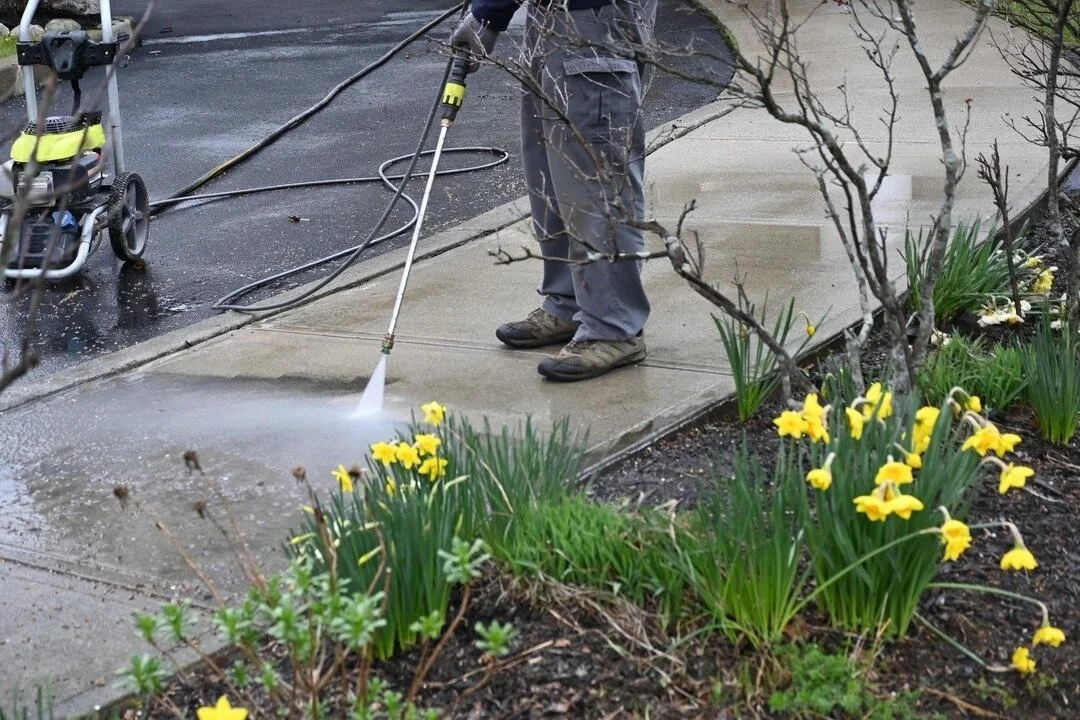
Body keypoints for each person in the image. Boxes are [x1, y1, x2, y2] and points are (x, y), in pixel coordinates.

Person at [451, 0, 657, 382]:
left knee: (593, 176)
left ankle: (614, 324)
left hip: (597, 17)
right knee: (551, 169)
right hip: (554, 17)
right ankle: (570, 302)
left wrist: (489, 12)